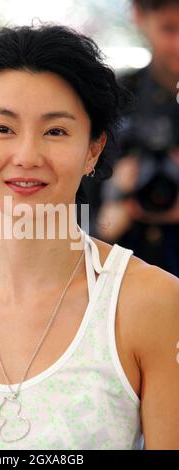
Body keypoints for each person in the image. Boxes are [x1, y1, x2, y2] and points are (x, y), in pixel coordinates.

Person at [0, 22, 179, 451]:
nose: (27, 156)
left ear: (94, 149)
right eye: (3, 129)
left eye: (56, 131)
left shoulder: (151, 301)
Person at [94, 0, 179, 276]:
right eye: (169, 29)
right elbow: (75, 219)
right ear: (140, 16)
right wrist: (110, 210)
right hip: (123, 275)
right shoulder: (113, 100)